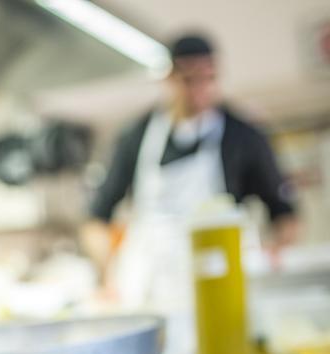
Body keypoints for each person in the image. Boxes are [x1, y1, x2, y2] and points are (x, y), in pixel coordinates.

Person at [82, 33, 300, 308]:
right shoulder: (134, 136)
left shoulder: (244, 136)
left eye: (209, 78)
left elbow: (284, 213)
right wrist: (106, 275)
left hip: (221, 279)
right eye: (189, 80)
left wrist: (272, 257)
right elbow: (97, 218)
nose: (200, 89)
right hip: (152, 284)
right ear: (168, 78)